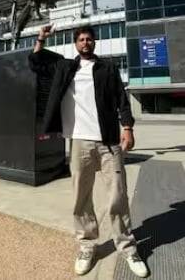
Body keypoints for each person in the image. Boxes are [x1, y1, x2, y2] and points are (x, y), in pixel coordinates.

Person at [29, 24, 149, 278]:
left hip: (108, 141)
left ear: (94, 43)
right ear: (75, 44)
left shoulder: (107, 68)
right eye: (81, 39)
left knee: (118, 195)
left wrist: (127, 127)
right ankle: (87, 246)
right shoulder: (65, 67)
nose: (85, 42)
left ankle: (127, 247)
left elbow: (121, 99)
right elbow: (36, 61)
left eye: (89, 39)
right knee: (81, 198)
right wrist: (42, 37)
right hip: (79, 142)